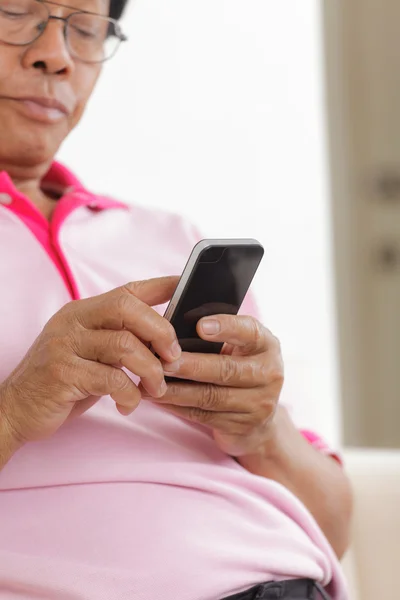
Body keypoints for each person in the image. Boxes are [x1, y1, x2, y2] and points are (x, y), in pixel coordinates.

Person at [0, 1, 352, 599]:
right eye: (15, 12)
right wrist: (14, 411)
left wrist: (263, 434)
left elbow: (337, 528)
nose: (55, 56)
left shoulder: (173, 238)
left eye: (85, 29)